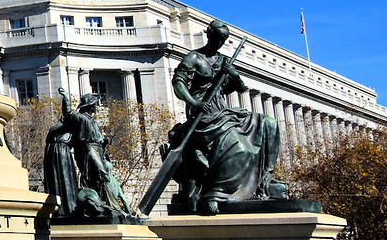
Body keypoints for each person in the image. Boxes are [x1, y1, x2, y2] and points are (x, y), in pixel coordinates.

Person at [165, 20, 287, 214]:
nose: (220, 43)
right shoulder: (194, 58)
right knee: (235, 143)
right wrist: (195, 103)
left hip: (222, 110)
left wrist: (234, 75)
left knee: (269, 124)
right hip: (202, 113)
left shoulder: (223, 61)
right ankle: (216, 191)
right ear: (209, 35)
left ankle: (265, 178)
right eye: (217, 38)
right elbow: (178, 84)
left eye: (223, 40)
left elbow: (238, 88)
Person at [51, 89, 136, 221]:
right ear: (90, 106)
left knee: (101, 177)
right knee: (102, 176)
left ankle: (107, 205)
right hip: (89, 150)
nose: (97, 106)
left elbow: (98, 137)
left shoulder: (92, 121)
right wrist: (66, 97)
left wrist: (104, 141)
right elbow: (67, 113)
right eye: (95, 104)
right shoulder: (81, 118)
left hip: (98, 149)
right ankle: (113, 207)